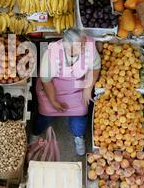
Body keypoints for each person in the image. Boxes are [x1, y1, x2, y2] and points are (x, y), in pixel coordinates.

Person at [33, 28, 101, 156]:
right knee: (45, 112)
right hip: (53, 86)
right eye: (79, 46)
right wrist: (53, 101)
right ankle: (36, 131)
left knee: (81, 113)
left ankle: (78, 136)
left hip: (77, 86)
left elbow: (95, 69)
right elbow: (46, 80)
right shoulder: (52, 53)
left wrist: (88, 88)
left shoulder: (89, 47)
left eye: (84, 44)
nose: (83, 48)